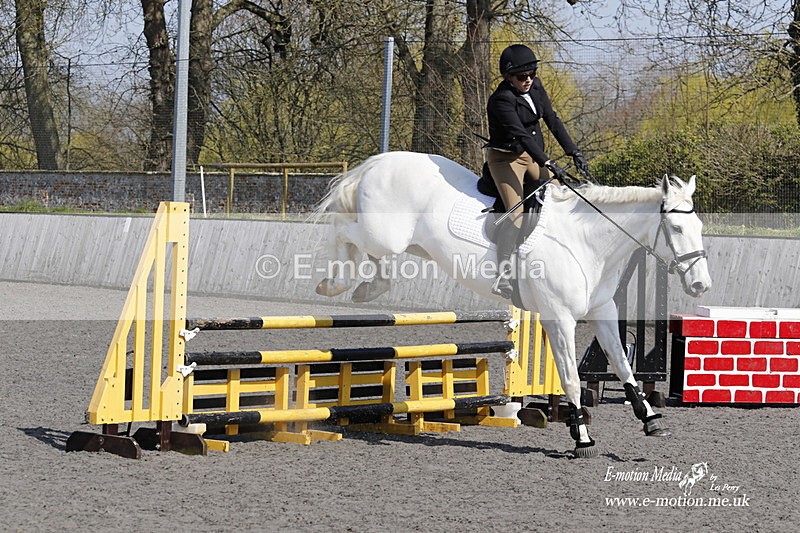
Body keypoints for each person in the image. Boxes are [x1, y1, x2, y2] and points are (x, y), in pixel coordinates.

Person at [485, 43, 589, 299]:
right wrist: (547, 162)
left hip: (530, 155)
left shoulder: (537, 87)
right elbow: (520, 134)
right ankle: (503, 274)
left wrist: (573, 151)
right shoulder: (500, 101)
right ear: (509, 77)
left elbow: (552, 119)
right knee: (516, 213)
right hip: (506, 159)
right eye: (522, 77)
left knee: (559, 196)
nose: (528, 80)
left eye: (532, 73)